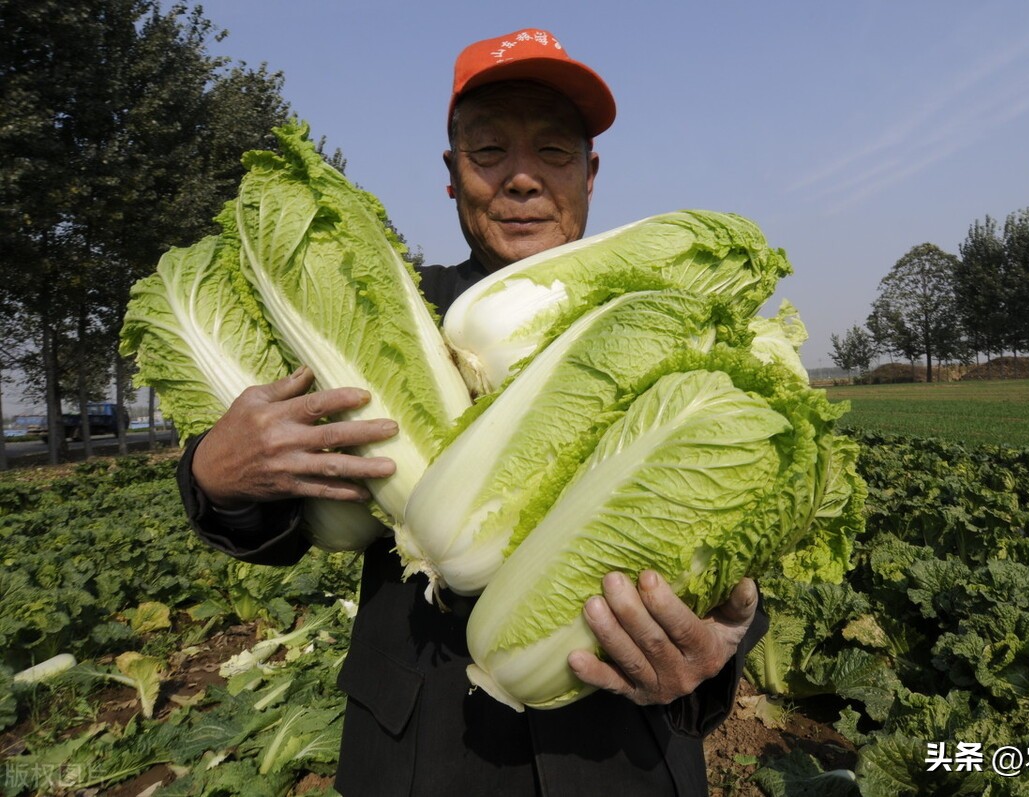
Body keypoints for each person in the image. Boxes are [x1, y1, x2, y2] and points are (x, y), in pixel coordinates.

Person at [178, 28, 767, 796]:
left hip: (624, 745)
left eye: (553, 152)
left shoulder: (684, 325)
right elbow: (276, 504)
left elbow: (742, 521)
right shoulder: (385, 308)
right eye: (488, 151)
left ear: (590, 175)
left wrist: (719, 643)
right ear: (451, 177)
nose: (522, 178)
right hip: (425, 748)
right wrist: (213, 475)